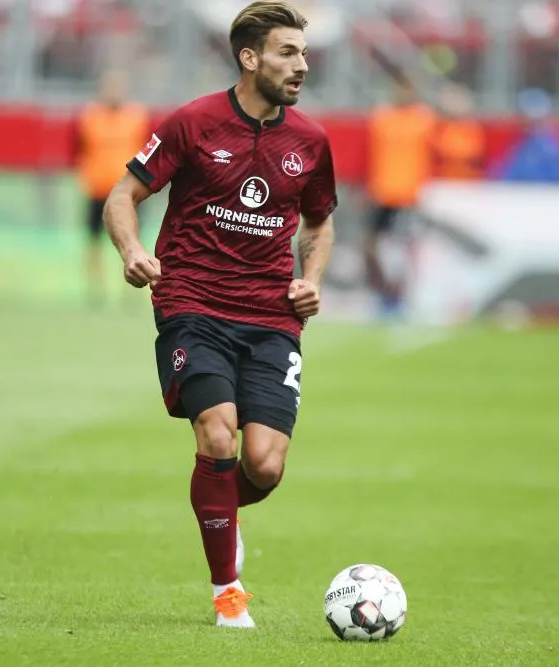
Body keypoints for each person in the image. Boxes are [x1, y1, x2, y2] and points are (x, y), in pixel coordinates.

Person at [102, 1, 337, 629]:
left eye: (304, 53)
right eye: (288, 53)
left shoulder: (311, 141)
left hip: (271, 316)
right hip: (193, 304)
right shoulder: (194, 123)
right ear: (250, 58)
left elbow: (319, 222)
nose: (301, 65)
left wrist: (311, 281)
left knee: (265, 465)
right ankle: (228, 594)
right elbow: (122, 195)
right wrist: (132, 251)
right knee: (217, 432)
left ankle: (220, 516)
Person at [75, 70, 150, 305]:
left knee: (133, 240)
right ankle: (96, 289)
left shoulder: (136, 117)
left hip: (128, 193)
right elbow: (79, 150)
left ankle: (131, 290)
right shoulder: (89, 117)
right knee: (94, 240)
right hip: (97, 189)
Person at [364, 77, 437, 317]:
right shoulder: (382, 117)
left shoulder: (424, 119)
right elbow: (371, 155)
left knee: (404, 250)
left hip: (410, 196)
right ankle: (382, 294)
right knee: (373, 246)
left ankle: (401, 299)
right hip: (383, 193)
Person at [489, 88, 559, 184]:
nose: (522, 120)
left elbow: (558, 180)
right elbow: (504, 173)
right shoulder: (521, 141)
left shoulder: (551, 147)